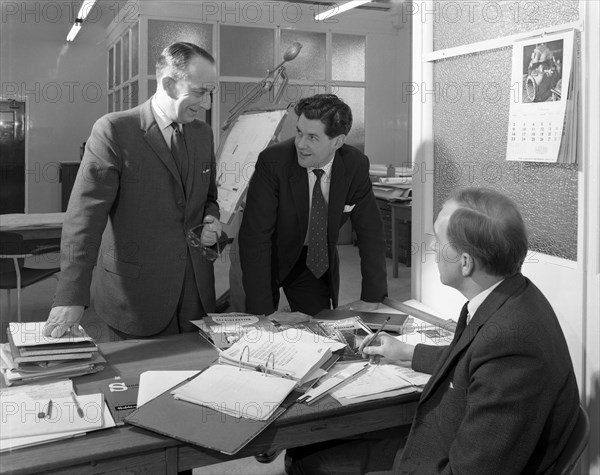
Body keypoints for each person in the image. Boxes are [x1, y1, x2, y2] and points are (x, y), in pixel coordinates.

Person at [288, 187, 580, 474]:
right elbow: (471, 360)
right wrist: (406, 352)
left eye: (439, 242)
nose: (433, 249)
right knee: (303, 451)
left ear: (465, 263)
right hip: (441, 440)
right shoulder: (510, 294)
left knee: (307, 462)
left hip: (440, 456)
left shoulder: (512, 349)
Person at [44, 42, 224, 340]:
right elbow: (84, 219)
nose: (206, 105)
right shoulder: (114, 131)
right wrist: (70, 295)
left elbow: (209, 199)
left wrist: (211, 220)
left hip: (195, 294)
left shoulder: (202, 133)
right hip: (137, 297)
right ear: (168, 83)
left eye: (210, 93)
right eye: (200, 92)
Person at [238, 94, 388, 316]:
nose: (301, 144)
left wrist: (372, 297)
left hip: (312, 260)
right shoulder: (273, 162)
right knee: (258, 329)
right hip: (266, 256)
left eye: (312, 137)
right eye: (299, 132)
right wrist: (261, 313)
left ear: (337, 142)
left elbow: (371, 233)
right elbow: (255, 237)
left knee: (316, 330)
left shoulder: (355, 165)